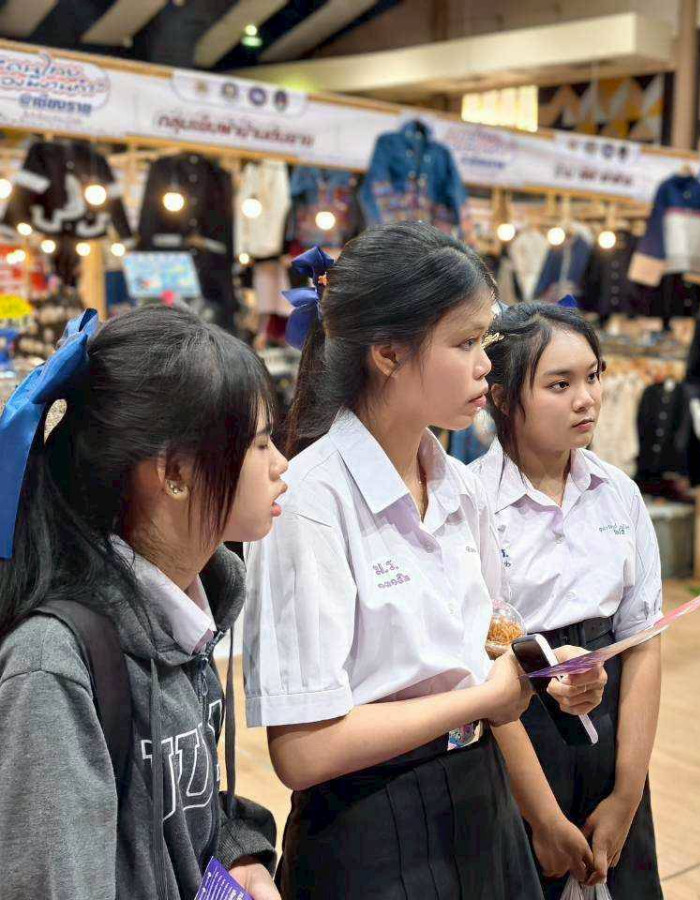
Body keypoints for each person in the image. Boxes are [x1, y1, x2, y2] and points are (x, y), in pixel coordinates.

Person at [242, 226, 606, 899]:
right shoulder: (311, 500)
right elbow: (302, 751)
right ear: (387, 353)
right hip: (372, 830)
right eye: (464, 343)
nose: (486, 365)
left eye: (484, 341)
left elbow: (486, 641)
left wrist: (544, 670)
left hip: (481, 805)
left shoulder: (461, 488)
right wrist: (479, 699)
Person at [0, 306, 283, 899]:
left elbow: (183, 809)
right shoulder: (53, 667)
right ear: (174, 471)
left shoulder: (188, 616)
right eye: (260, 444)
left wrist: (240, 854)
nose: (281, 465)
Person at [473, 303, 665, 898]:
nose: (587, 399)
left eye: (593, 376)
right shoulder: (470, 502)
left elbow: (643, 644)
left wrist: (627, 794)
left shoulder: (619, 493)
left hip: (611, 731)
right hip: (516, 737)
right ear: (503, 397)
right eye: (560, 384)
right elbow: (481, 667)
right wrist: (545, 820)